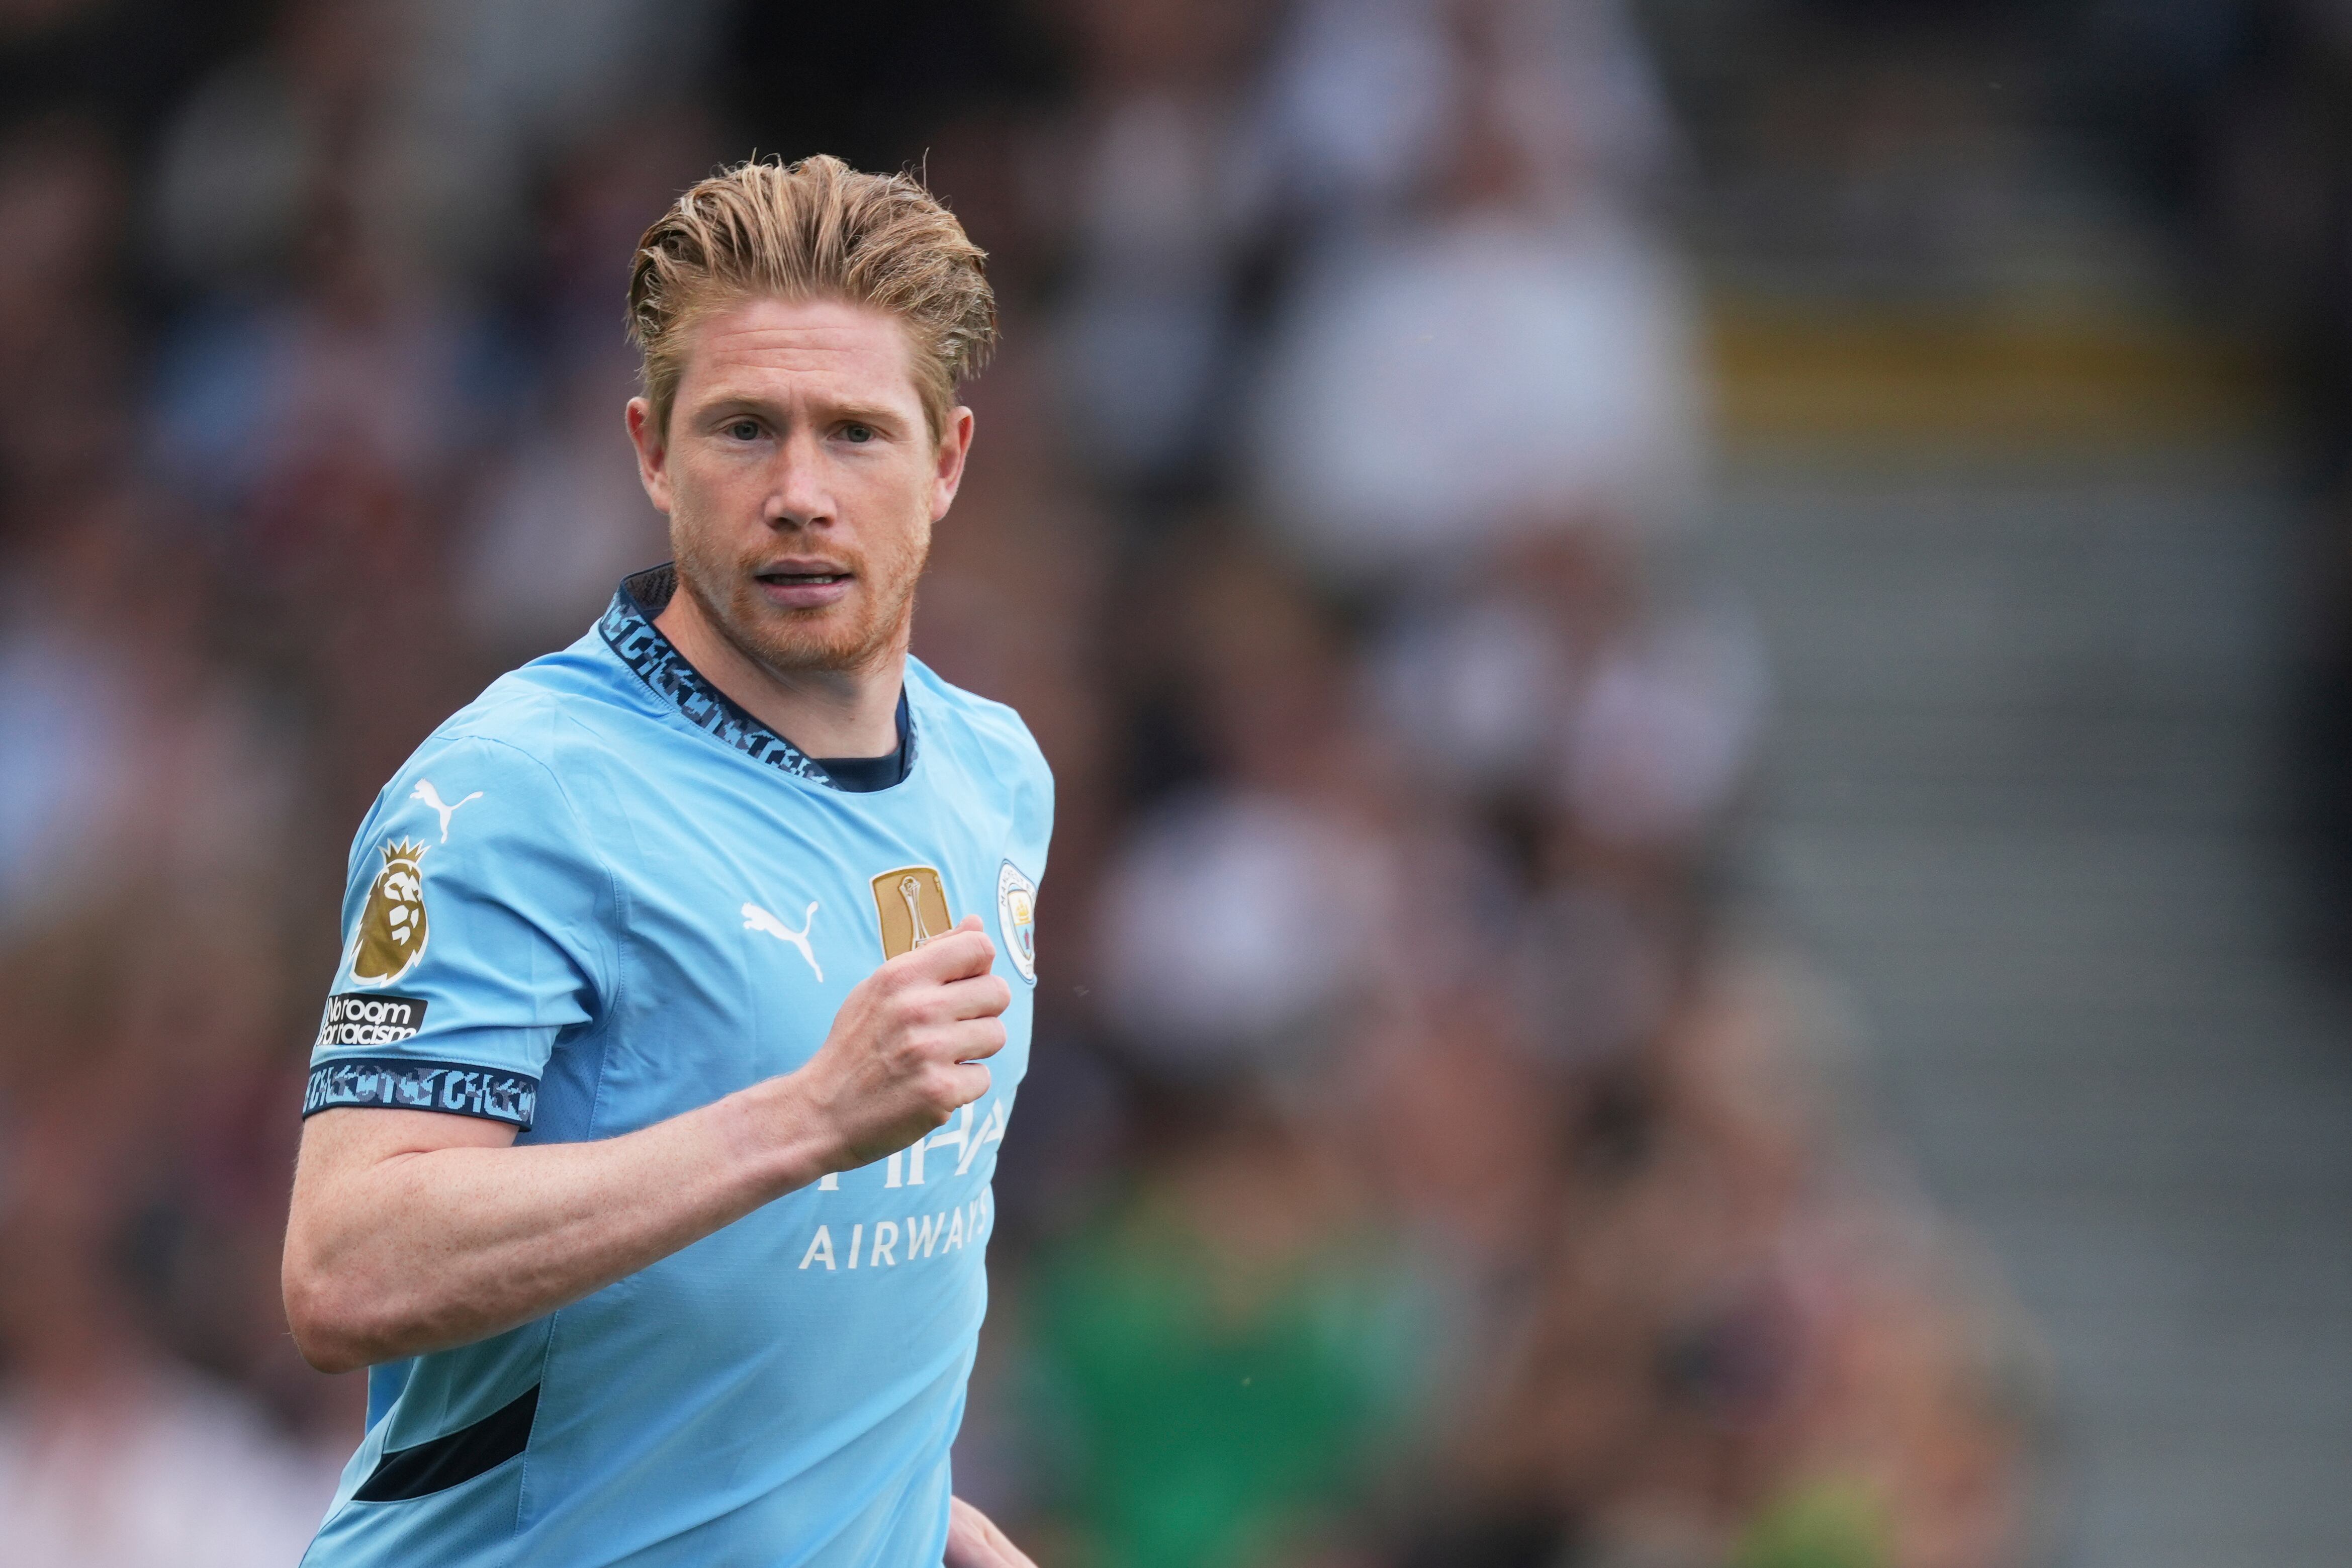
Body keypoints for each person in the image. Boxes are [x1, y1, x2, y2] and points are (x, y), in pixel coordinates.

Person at [280, 156, 1049, 1568]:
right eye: (746, 429)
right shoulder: (519, 794)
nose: (801, 492)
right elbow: (348, 1266)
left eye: (858, 435)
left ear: (945, 465)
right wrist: (803, 1117)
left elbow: (798, 1294)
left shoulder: (996, 775)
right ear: (650, 451)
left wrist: (892, 1513)